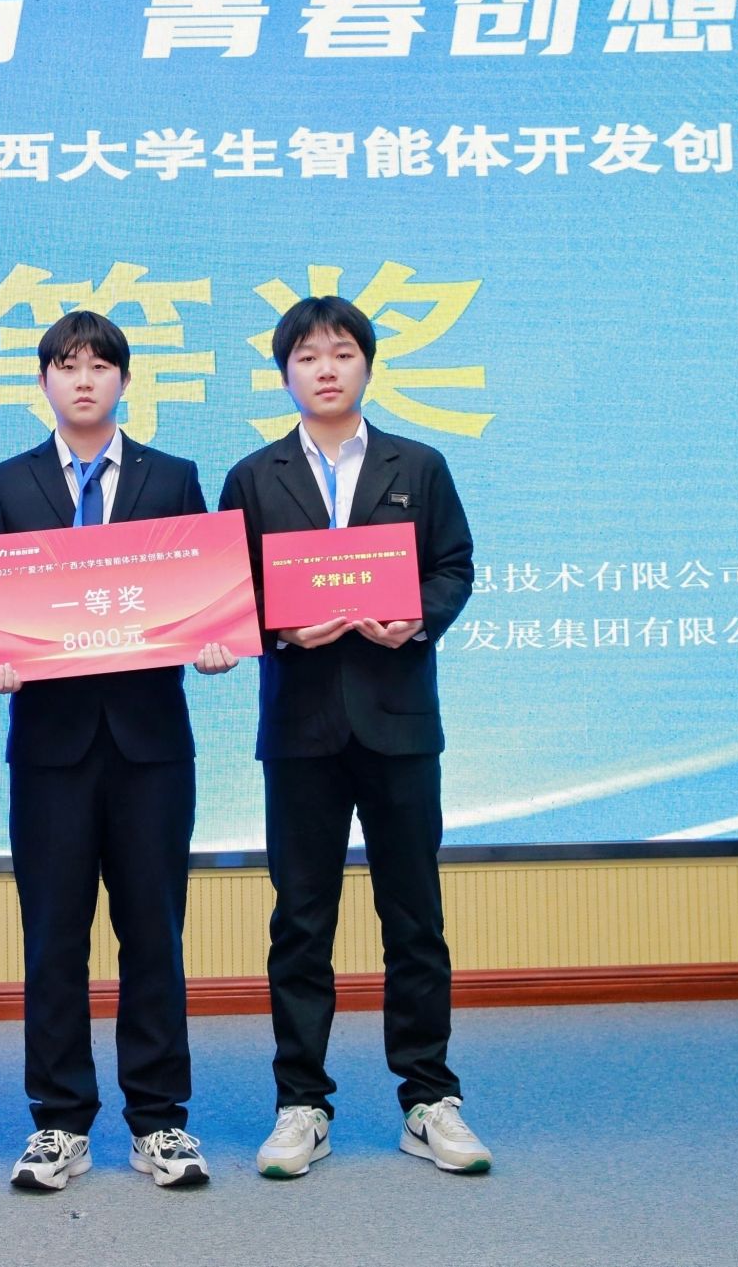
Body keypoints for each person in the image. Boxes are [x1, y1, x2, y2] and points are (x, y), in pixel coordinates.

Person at [216, 295, 492, 1178]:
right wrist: (279, 626)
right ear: (284, 374)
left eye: (341, 352)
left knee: (415, 917)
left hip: (398, 721)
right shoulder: (253, 476)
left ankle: (429, 1098)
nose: (326, 369)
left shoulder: (421, 464)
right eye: (307, 356)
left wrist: (418, 618)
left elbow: (454, 565)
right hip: (300, 727)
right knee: (301, 920)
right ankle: (301, 1102)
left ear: (367, 365)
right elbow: (229, 591)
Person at [0, 311, 237, 1192]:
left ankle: (159, 1119)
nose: (83, 379)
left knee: (153, 931)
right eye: (66, 365)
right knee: (53, 936)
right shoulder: (4, 483)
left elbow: (205, 595)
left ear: (125, 379)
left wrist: (216, 640)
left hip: (150, 743)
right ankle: (59, 1121)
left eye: (99, 365)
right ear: (42, 381)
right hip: (50, 746)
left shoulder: (174, 476)